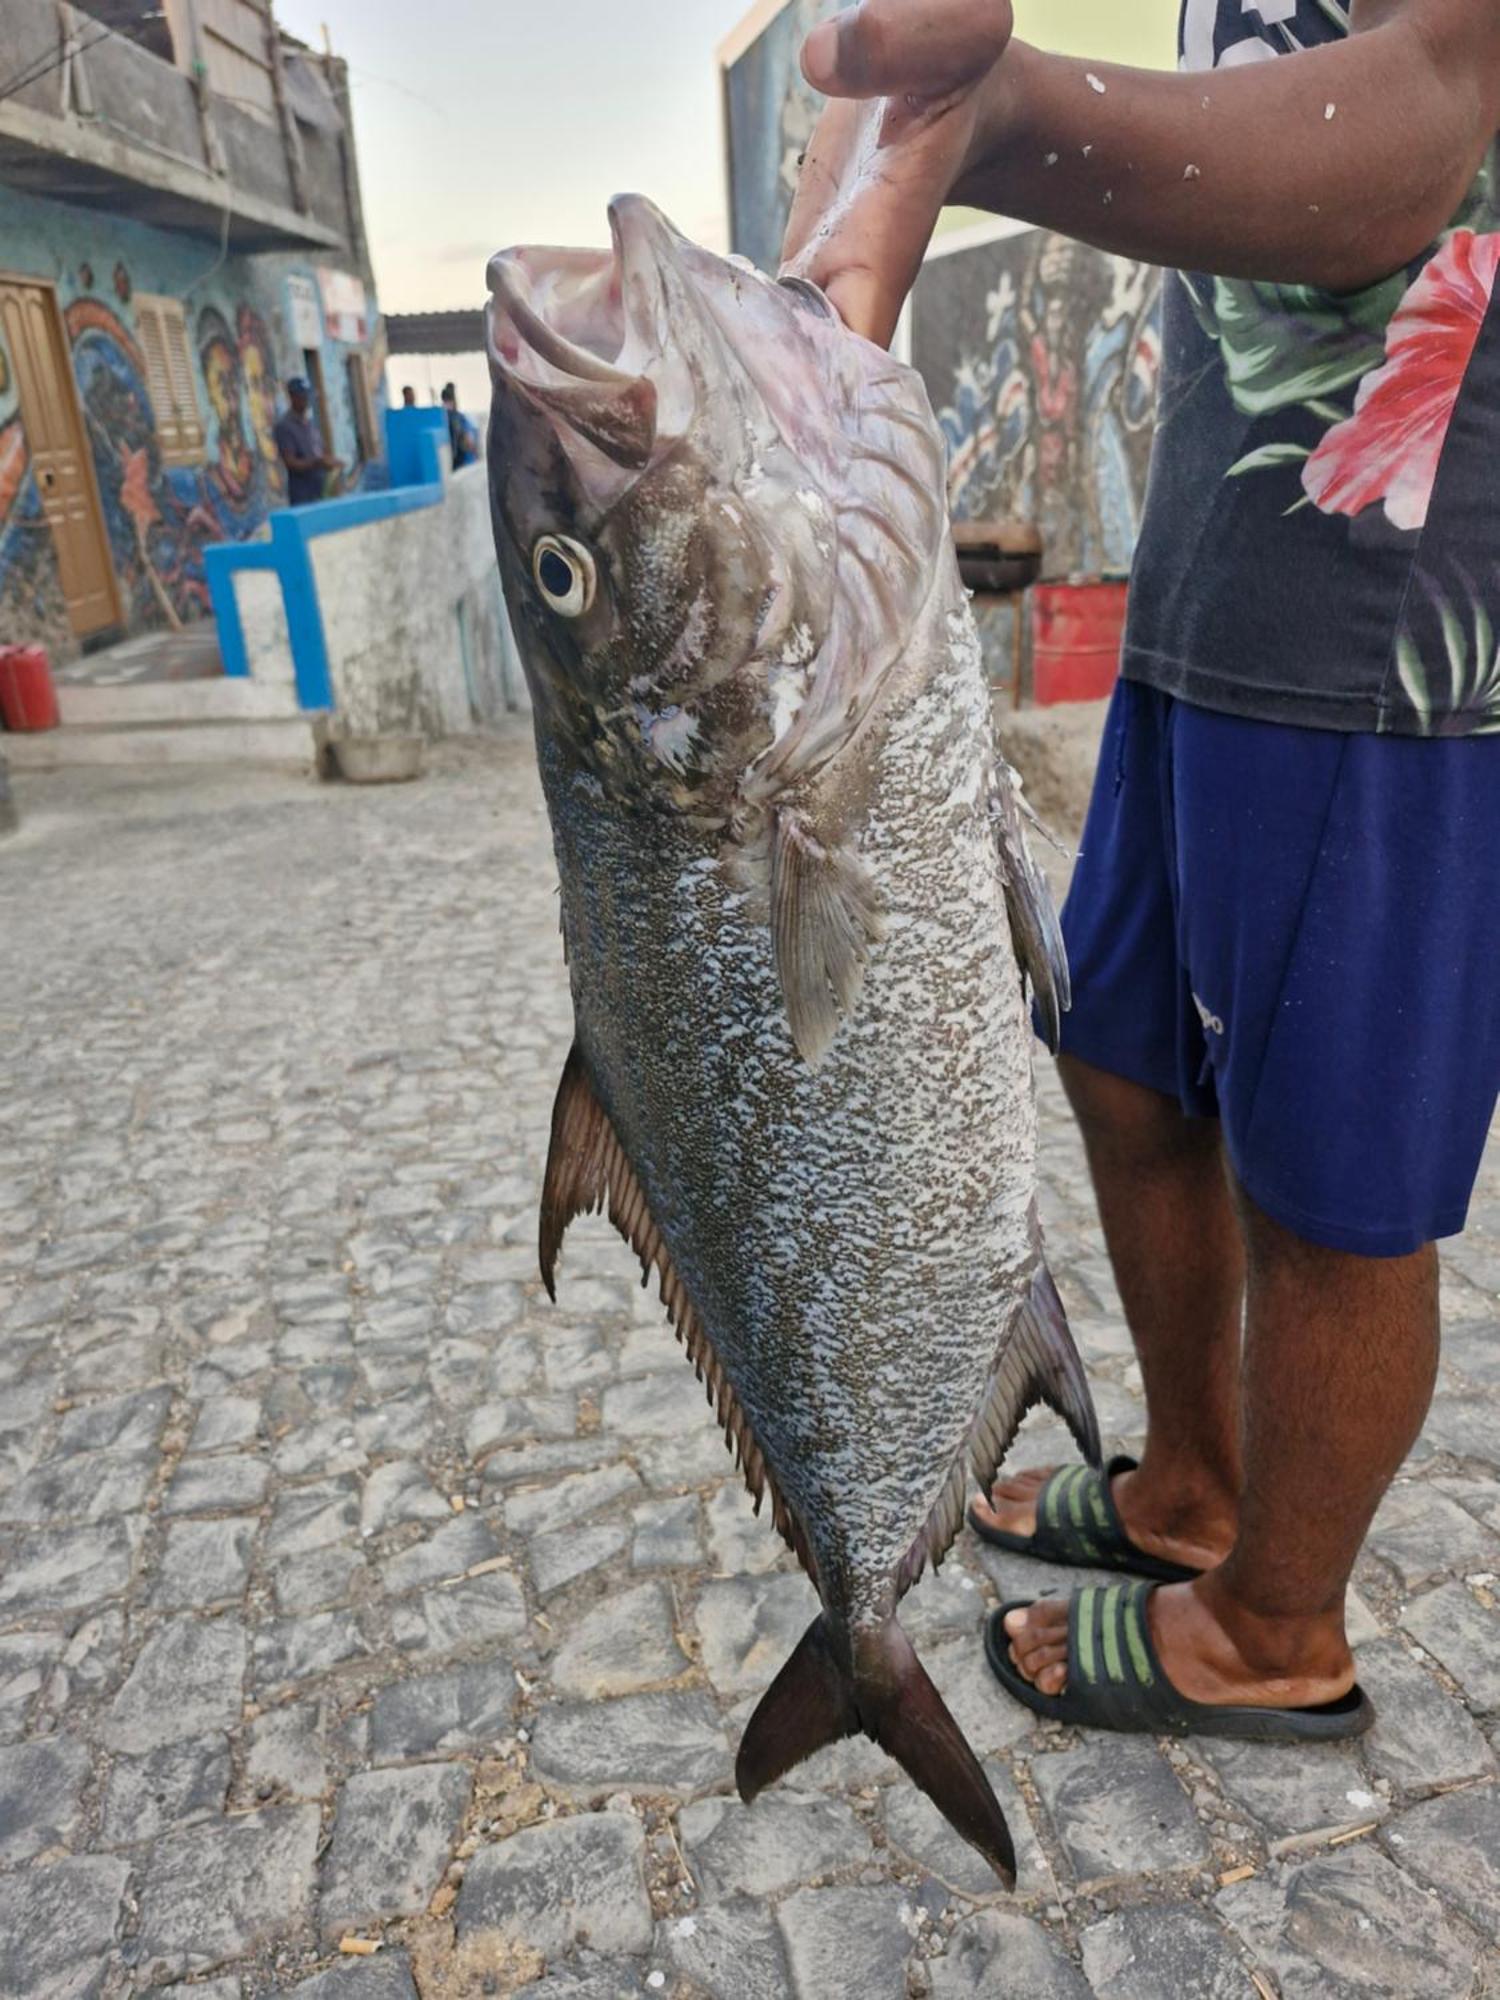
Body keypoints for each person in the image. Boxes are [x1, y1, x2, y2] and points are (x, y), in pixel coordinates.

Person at [784, 0, 1500, 1740]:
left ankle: (1278, 1627)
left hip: (1399, 615)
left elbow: (1438, 105)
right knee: (1116, 1057)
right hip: (1209, 581)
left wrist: (1003, 112)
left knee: (1326, 1180)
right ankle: (1192, 1480)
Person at [273, 377, 336, 507]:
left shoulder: (310, 424)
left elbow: (320, 451)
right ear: (293, 397)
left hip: (320, 492)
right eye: (303, 396)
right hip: (302, 496)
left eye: (308, 396)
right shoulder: (284, 426)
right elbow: (290, 462)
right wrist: (317, 462)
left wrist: (330, 462)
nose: (307, 400)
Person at [441, 382, 479, 469]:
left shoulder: (458, 416)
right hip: (457, 458)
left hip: (458, 458)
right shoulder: (454, 416)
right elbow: (464, 436)